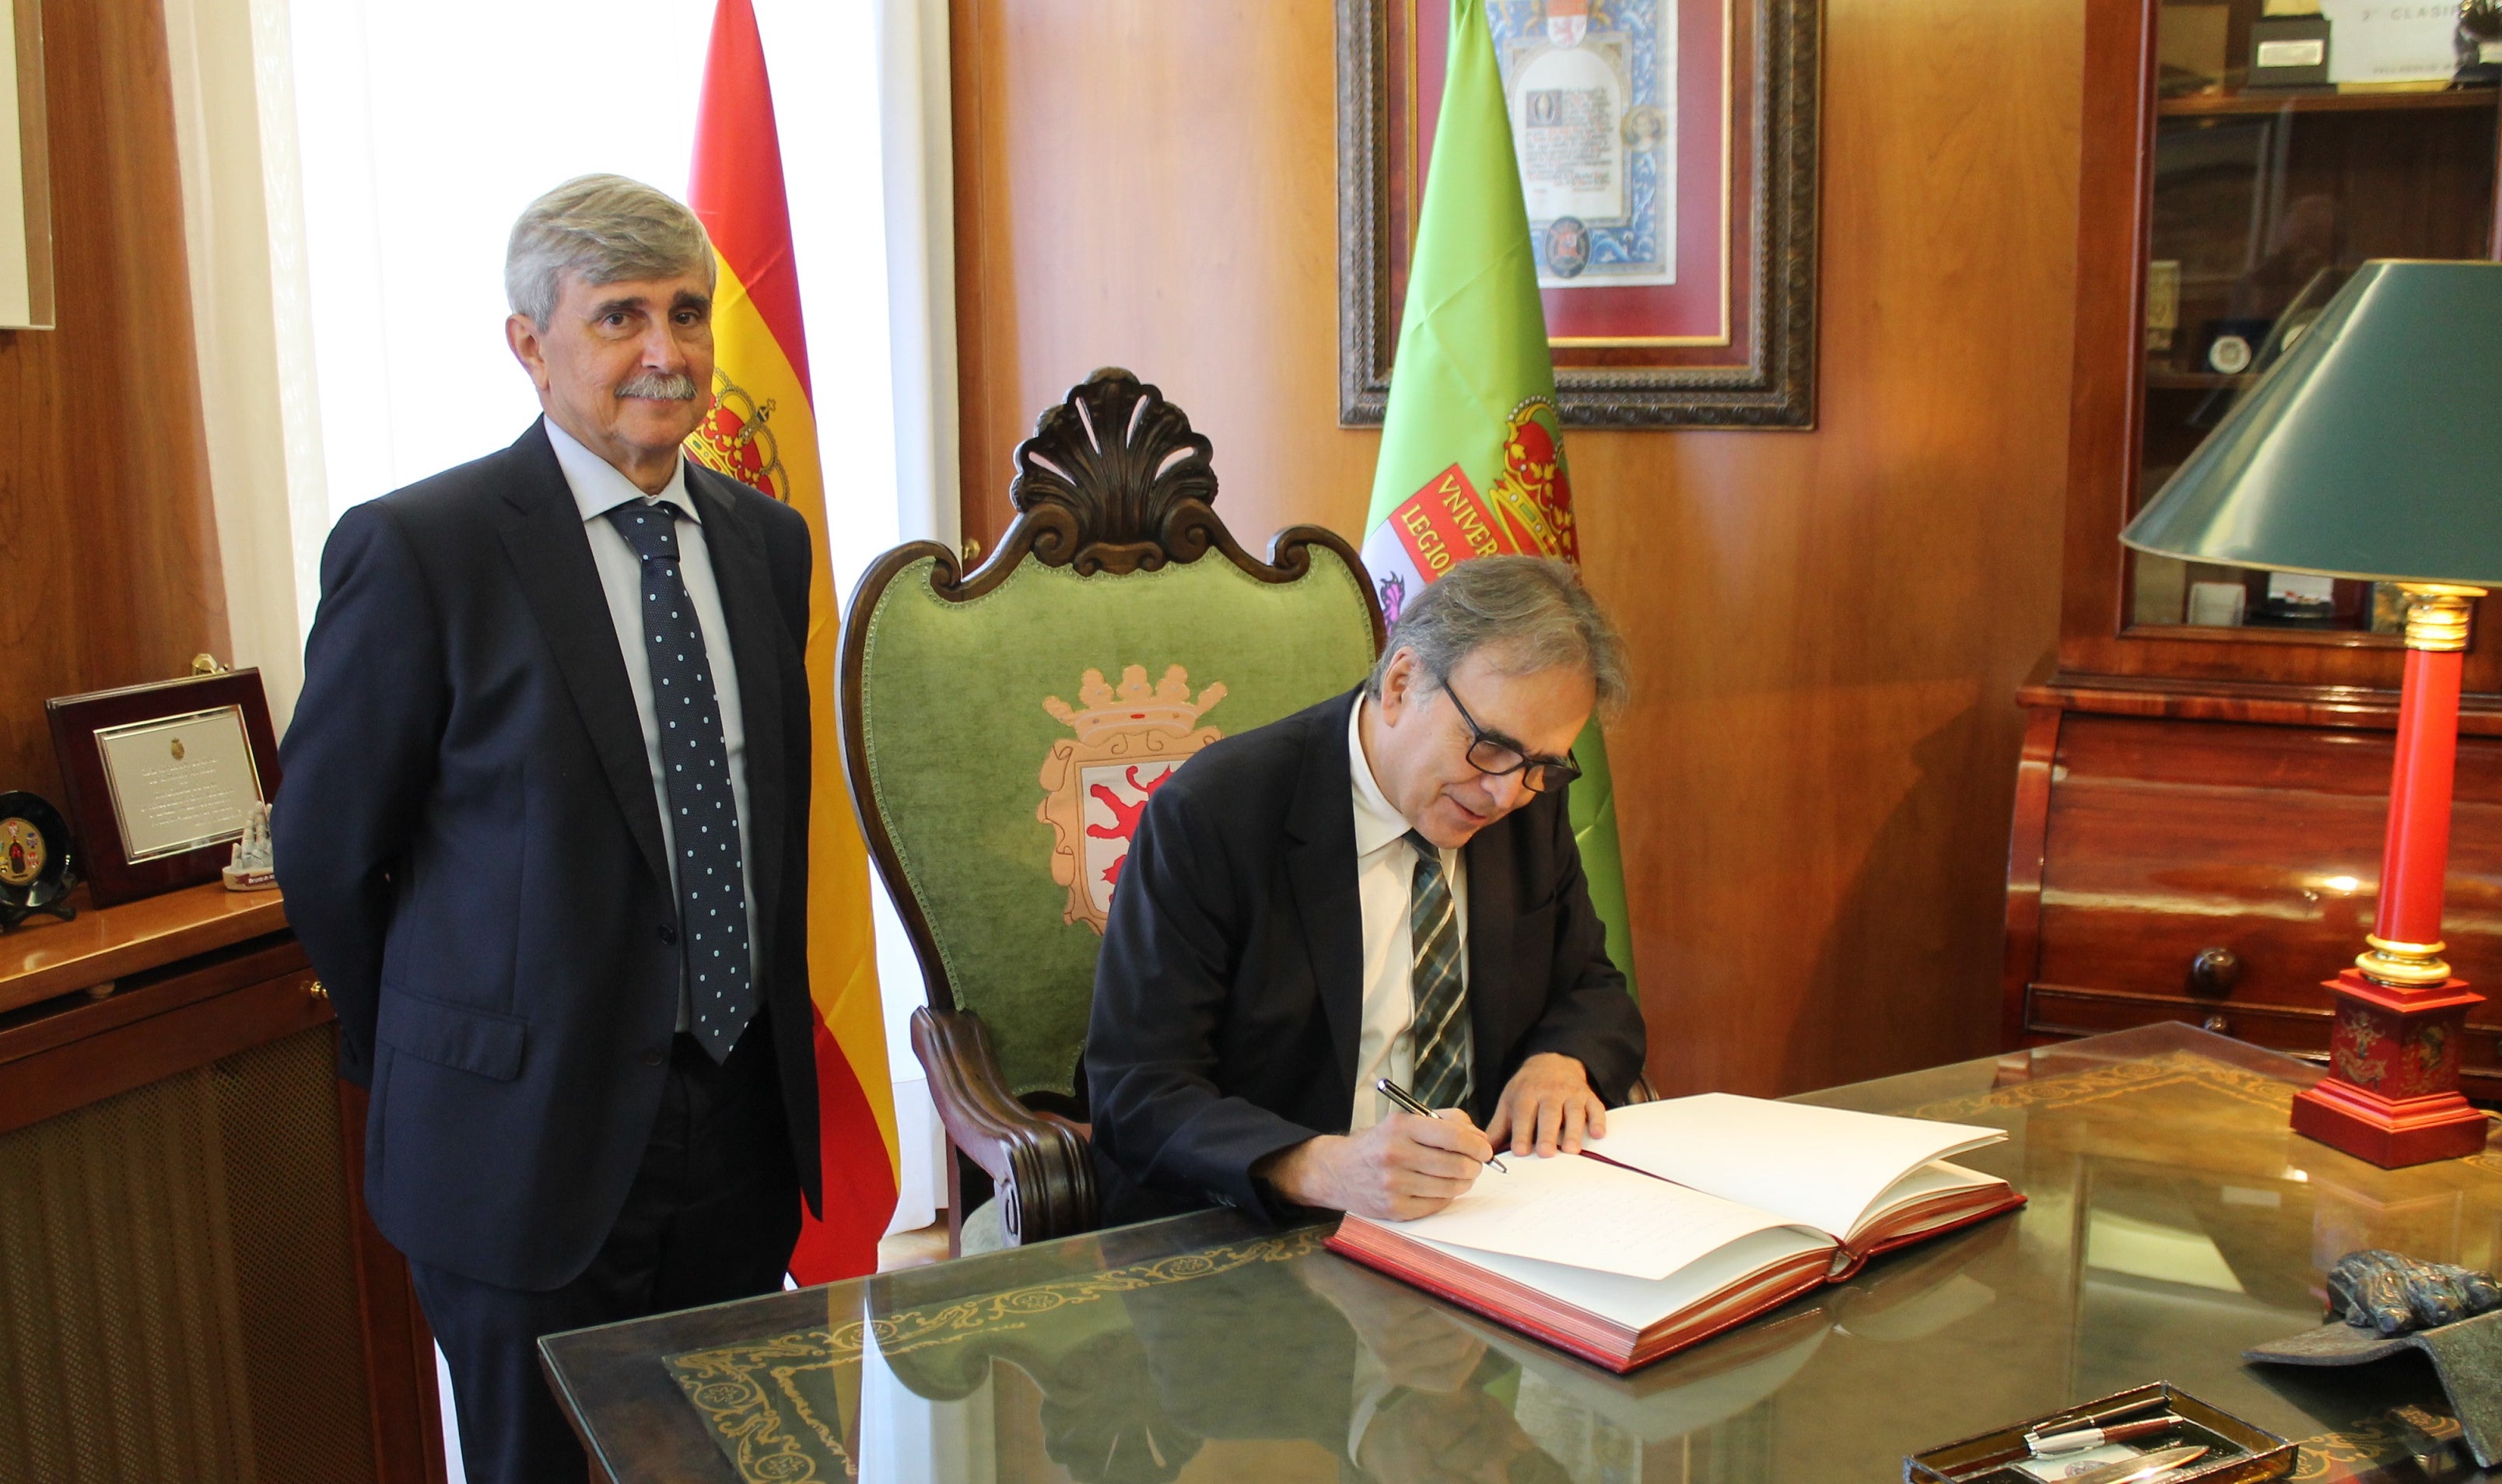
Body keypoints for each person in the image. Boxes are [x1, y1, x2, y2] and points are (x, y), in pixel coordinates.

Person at [274, 174, 822, 1484]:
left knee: (731, 1459)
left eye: (687, 315)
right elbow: (326, 846)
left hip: (738, 1122)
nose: (666, 352)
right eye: (620, 316)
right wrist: (439, 1037)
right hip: (519, 1141)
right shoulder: (424, 548)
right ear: (531, 344)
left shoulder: (766, 542)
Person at [1085, 555, 1646, 1226]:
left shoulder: (1526, 803)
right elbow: (1136, 1090)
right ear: (1403, 683)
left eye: (1540, 765)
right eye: (1490, 747)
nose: (1505, 793)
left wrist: (1562, 1061)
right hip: (1271, 1229)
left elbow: (1592, 988)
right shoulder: (1214, 815)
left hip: (1483, 1216)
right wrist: (1317, 1166)